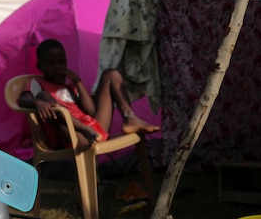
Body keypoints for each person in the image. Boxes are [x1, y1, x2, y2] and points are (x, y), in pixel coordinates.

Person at [17, 39, 159, 149]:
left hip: (94, 130)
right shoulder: (36, 83)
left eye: (61, 63)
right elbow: (22, 100)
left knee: (111, 74)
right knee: (43, 96)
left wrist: (77, 82)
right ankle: (85, 130)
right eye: (51, 63)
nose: (57, 67)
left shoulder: (68, 86)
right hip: (74, 136)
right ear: (39, 67)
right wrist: (37, 102)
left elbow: (91, 110)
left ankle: (130, 118)